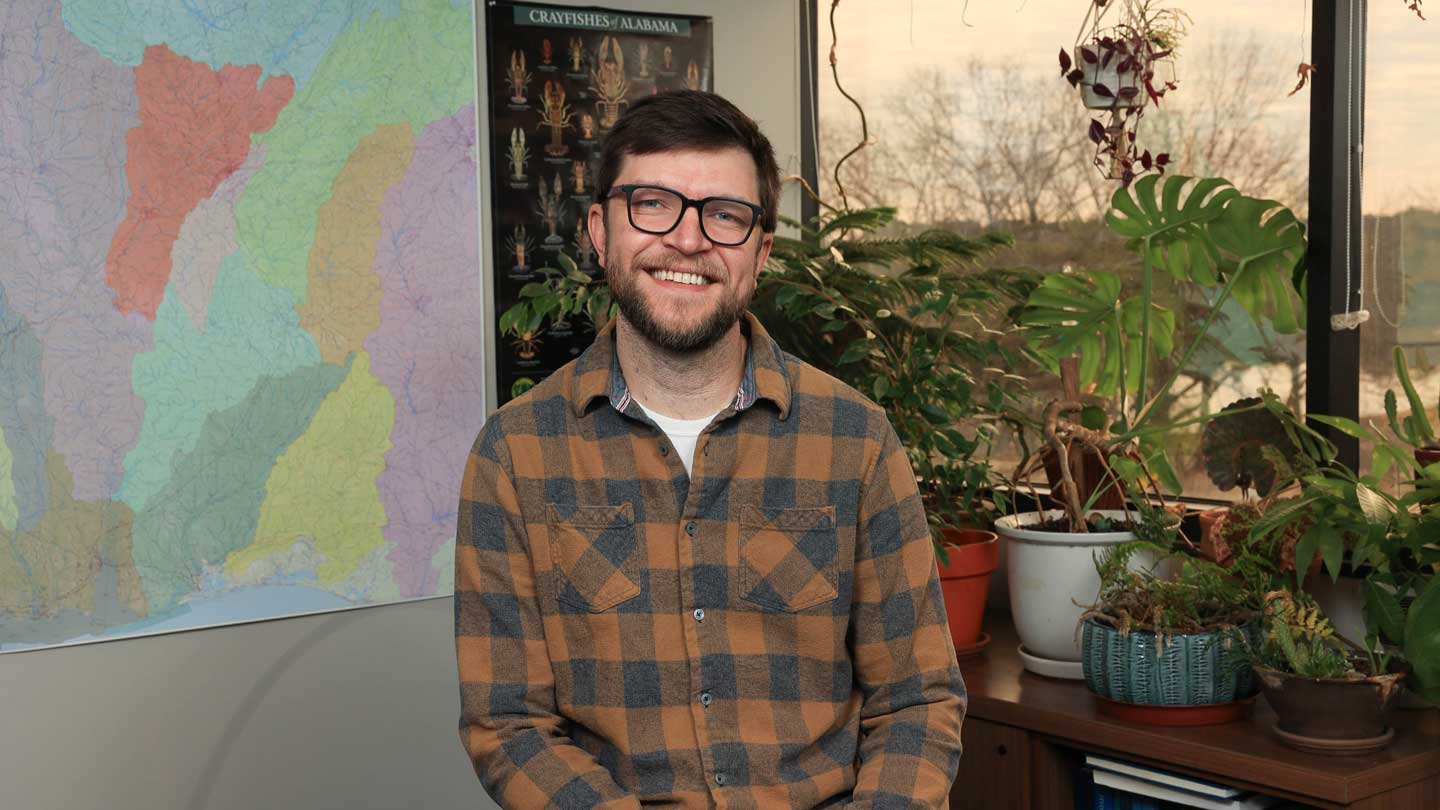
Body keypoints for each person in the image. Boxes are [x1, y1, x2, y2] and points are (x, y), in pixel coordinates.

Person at [455, 89, 964, 809]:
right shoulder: (513, 456)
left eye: (724, 215)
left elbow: (918, 700)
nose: (689, 241)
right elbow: (508, 724)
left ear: (758, 252)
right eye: (653, 204)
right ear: (601, 231)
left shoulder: (856, 441)